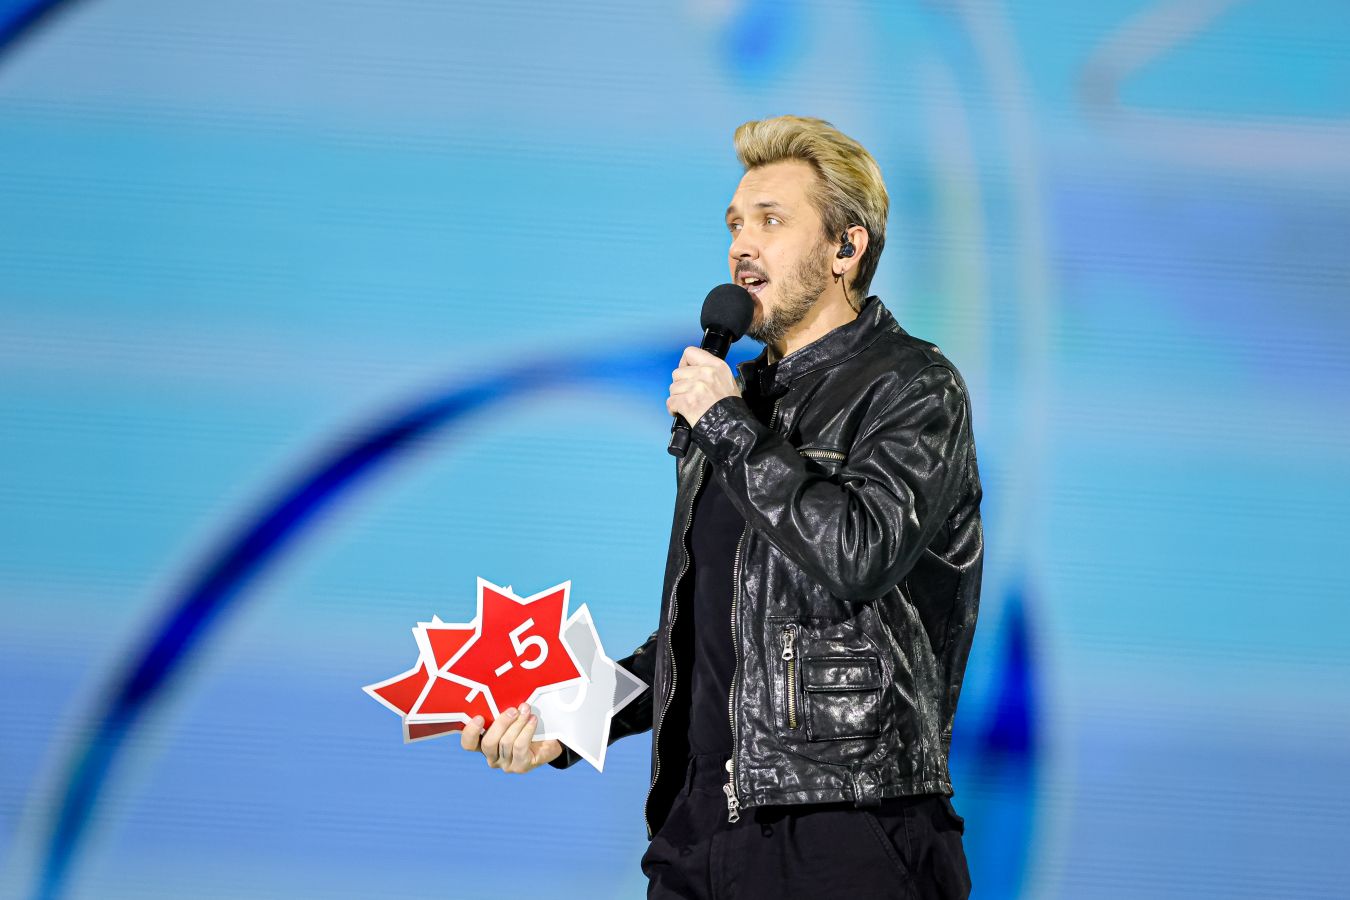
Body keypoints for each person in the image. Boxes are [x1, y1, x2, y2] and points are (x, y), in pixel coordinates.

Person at [458, 115, 983, 900]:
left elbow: (859, 553)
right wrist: (567, 720)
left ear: (846, 248)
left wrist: (729, 426)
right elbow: (704, 641)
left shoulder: (911, 386)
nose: (742, 245)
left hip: (847, 823)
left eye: (771, 221)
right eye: (736, 224)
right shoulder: (738, 409)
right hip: (701, 832)